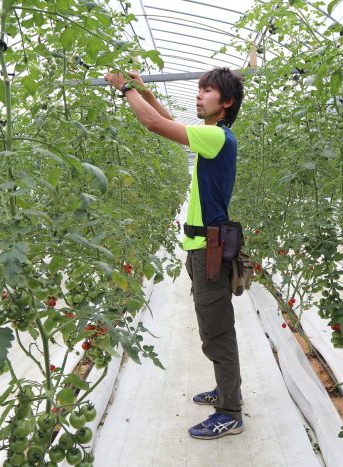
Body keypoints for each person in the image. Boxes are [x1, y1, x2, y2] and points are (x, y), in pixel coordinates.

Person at [104, 67, 245, 440]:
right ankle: (225, 390)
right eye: (198, 89)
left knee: (218, 331)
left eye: (207, 91)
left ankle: (230, 410)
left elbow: (152, 125)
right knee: (210, 325)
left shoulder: (216, 136)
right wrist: (145, 91)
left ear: (226, 102)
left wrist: (124, 90)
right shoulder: (211, 137)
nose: (199, 96)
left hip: (209, 248)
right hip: (201, 246)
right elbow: (165, 121)